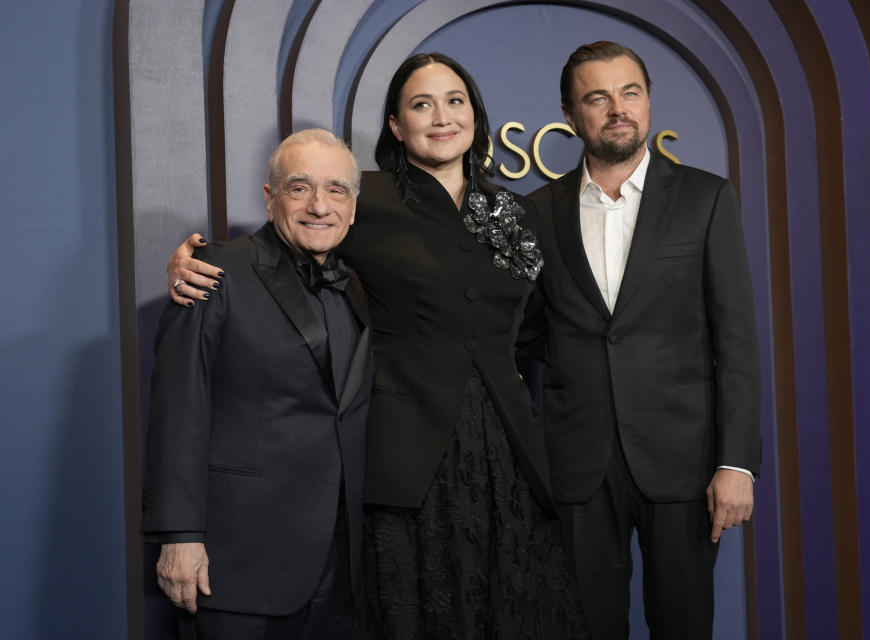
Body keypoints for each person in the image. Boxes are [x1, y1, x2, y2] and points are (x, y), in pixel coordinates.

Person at [165, 53, 587, 639]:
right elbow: (288, 246)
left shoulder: (512, 212)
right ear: (395, 125)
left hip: (506, 452)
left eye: (455, 100)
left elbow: (539, 327)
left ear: (475, 113)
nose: (441, 117)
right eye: (421, 104)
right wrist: (193, 259)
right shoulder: (363, 197)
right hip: (406, 457)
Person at [523, 41, 762, 639]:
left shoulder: (707, 199)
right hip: (578, 467)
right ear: (570, 112)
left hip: (683, 466)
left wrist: (737, 462)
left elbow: (735, 339)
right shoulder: (534, 213)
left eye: (630, 93)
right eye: (597, 97)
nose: (617, 109)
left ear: (648, 101)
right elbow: (521, 343)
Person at [142, 128, 372, 639]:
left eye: (336, 190)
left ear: (354, 207)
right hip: (237, 561)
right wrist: (179, 536)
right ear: (270, 198)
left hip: (342, 567)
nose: (319, 205)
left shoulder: (359, 283)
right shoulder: (214, 271)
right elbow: (179, 408)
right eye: (299, 187)